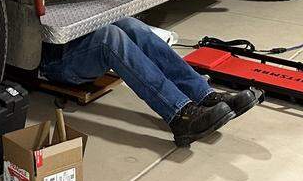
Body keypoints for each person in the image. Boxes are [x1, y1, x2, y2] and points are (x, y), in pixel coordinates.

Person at [41, 17, 262, 146]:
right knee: (110, 38)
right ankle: (179, 115)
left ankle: (202, 95)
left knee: (130, 25)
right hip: (55, 60)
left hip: (75, 36)